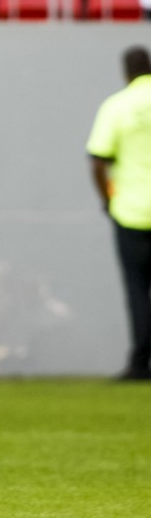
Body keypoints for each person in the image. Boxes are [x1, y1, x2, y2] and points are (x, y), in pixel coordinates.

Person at [86, 45, 151, 381]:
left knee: (138, 291)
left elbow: (98, 160)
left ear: (125, 72)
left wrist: (107, 200)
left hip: (132, 212)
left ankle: (140, 364)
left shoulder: (117, 106)